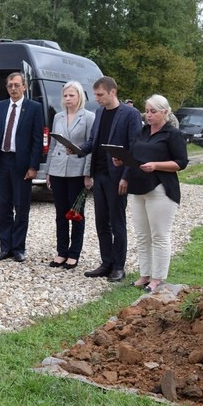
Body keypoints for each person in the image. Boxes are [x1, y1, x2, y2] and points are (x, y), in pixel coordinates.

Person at [77, 76, 142, 282]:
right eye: (95, 94)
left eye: (100, 95)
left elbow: (134, 148)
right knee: (101, 222)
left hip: (117, 177)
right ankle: (106, 263)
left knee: (117, 222)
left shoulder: (130, 114)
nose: (96, 98)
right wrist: (77, 150)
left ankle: (119, 266)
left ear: (112, 92)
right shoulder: (99, 112)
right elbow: (93, 141)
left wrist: (126, 177)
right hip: (99, 175)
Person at [125, 95, 188, 293]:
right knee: (143, 235)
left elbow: (181, 162)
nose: (149, 115)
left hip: (161, 188)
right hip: (138, 187)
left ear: (165, 112)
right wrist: (123, 162)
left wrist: (156, 166)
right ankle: (144, 274)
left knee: (159, 235)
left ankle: (158, 278)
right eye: (147, 111)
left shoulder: (172, 134)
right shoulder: (142, 131)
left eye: (153, 111)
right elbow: (134, 154)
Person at [0, 72, 44, 263]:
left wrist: (33, 166)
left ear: (25, 87)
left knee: (21, 207)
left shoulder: (34, 108)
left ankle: (18, 247)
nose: (13, 88)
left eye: (17, 85)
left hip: (22, 163)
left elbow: (38, 139)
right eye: (10, 85)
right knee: (3, 206)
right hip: (3, 161)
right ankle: (5, 247)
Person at [41, 81, 94, 269]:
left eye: (72, 95)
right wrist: (48, 171)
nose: (68, 99)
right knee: (60, 213)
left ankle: (74, 253)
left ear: (80, 96)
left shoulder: (89, 117)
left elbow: (91, 147)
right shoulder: (58, 117)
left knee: (76, 213)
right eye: (65, 96)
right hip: (57, 169)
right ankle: (61, 251)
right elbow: (54, 144)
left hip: (77, 171)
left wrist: (88, 173)